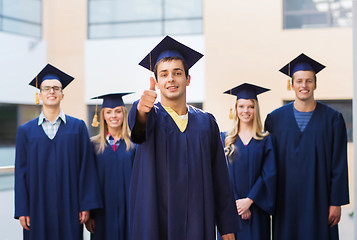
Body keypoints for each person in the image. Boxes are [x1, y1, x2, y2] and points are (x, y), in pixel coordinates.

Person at [128, 36, 238, 240]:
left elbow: (220, 178)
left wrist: (227, 227)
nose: (171, 78)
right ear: (157, 83)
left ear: (188, 79)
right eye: (164, 74)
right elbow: (138, 128)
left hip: (197, 219)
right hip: (157, 220)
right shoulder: (151, 116)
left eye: (177, 73)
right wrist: (141, 110)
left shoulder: (206, 123)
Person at [265, 53, 349, 240]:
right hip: (285, 199)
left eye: (309, 81)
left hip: (320, 198)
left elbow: (339, 164)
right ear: (292, 84)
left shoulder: (333, 119)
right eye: (299, 81)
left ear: (315, 84)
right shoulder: (275, 120)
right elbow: (267, 165)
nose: (304, 86)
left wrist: (336, 202)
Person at [14, 64, 102, 240]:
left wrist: (86, 205)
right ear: (40, 95)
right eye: (46, 88)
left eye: (56, 88)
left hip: (70, 204)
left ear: (63, 94)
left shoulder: (77, 127)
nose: (51, 92)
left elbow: (87, 168)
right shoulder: (26, 131)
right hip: (37, 206)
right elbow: (21, 172)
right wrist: (22, 209)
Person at [217, 83, 276, 240]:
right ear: (235, 109)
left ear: (256, 109)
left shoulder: (265, 139)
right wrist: (238, 204)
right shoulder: (225, 139)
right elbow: (221, 176)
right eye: (241, 106)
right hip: (230, 210)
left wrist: (249, 201)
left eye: (250, 106)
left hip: (257, 210)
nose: (245, 111)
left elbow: (269, 174)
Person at [85, 93, 135, 240]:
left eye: (118, 111)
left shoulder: (135, 144)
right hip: (102, 212)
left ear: (124, 114)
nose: (113, 116)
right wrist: (90, 214)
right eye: (108, 112)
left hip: (129, 210)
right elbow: (89, 181)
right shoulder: (93, 145)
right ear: (103, 116)